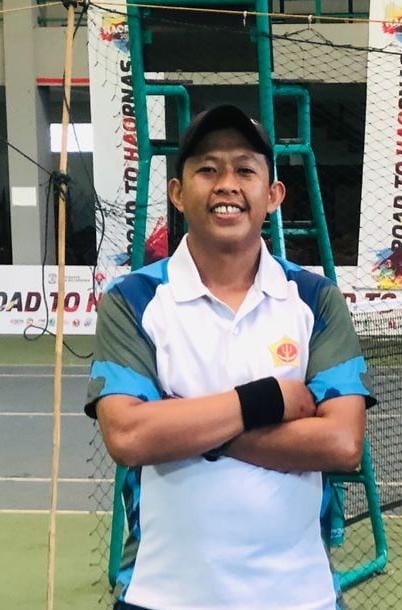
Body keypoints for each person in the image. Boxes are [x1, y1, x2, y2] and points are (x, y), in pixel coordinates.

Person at [85, 105, 374, 610]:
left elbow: (340, 442)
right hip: (160, 594)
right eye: (207, 169)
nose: (226, 185)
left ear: (273, 195)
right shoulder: (132, 300)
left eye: (244, 169)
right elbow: (129, 436)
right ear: (177, 193)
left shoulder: (315, 299)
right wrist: (268, 400)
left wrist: (186, 425)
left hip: (299, 595)